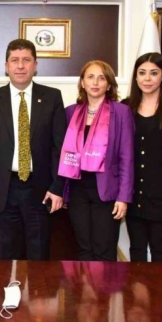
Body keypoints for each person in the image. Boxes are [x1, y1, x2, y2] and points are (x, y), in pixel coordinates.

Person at [0, 38, 66, 260]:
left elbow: (60, 147)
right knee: (6, 257)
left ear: (35, 65)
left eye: (26, 60)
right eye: (14, 60)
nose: (20, 66)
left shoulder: (52, 97)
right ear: (6, 66)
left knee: (39, 256)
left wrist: (57, 187)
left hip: (40, 190)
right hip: (4, 191)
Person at [59, 60, 134, 261]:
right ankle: (84, 284)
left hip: (106, 192)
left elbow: (126, 157)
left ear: (109, 85)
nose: (95, 82)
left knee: (104, 250)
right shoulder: (70, 112)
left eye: (101, 78)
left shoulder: (121, 112)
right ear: (82, 83)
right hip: (77, 190)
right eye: (90, 77)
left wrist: (123, 197)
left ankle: (104, 284)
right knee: (83, 248)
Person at [124, 53, 162, 262]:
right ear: (136, 77)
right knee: (136, 248)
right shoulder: (125, 107)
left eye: (153, 73)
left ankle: (161, 285)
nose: (147, 79)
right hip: (132, 191)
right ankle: (135, 285)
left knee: (159, 247)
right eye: (142, 73)